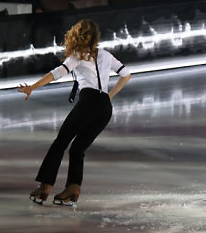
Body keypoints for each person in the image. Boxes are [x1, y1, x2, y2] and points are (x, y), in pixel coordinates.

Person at [21, 19, 132, 206]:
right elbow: (126, 74)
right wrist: (109, 96)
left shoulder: (78, 55)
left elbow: (57, 73)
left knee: (60, 143)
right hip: (104, 108)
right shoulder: (106, 55)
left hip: (88, 102)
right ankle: (72, 189)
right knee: (78, 148)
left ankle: (44, 188)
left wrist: (33, 86)